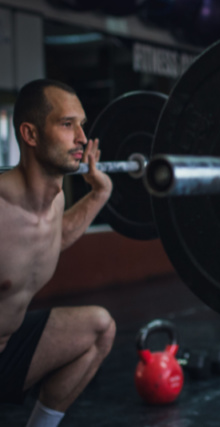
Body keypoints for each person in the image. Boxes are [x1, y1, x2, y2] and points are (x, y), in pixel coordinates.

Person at [0, 79, 116, 427]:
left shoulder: (55, 202)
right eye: (68, 124)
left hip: (8, 350)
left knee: (99, 328)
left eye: (81, 124)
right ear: (31, 135)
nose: (82, 138)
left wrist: (98, 195)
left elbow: (53, 237)